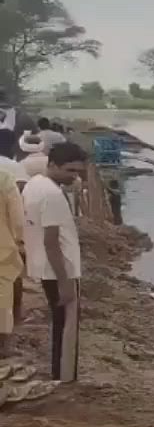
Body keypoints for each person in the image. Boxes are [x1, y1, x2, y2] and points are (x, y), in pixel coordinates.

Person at [24, 142, 88, 382]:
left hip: (45, 266)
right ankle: (64, 378)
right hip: (61, 269)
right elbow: (51, 241)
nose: (75, 176)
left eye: (78, 171)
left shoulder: (35, 184)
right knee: (67, 326)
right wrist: (65, 282)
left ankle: (59, 373)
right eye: (70, 171)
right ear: (52, 165)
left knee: (60, 321)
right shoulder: (52, 194)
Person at [0, 166, 21, 360]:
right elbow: (18, 219)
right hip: (2, 247)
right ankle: (4, 345)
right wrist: (19, 240)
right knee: (3, 296)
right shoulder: (4, 178)